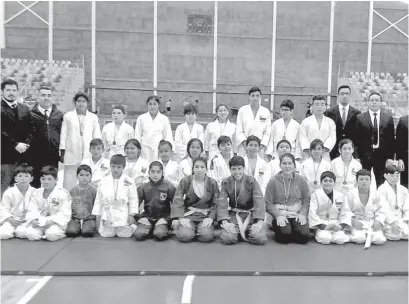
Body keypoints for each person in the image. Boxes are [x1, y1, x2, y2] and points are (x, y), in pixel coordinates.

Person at [216, 156, 267, 245]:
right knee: (227, 238)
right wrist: (225, 222)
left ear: (244, 168)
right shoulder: (226, 182)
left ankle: (243, 231)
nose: (237, 172)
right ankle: (240, 231)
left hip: (251, 215)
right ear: (230, 169)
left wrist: (259, 223)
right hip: (234, 215)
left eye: (239, 168)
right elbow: (222, 202)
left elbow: (259, 201)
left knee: (260, 238)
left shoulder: (251, 181)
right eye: (234, 169)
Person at [171, 157, 219, 243]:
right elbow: (178, 199)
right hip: (189, 214)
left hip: (205, 215)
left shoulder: (212, 183)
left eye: (202, 167)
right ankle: (191, 230)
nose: (199, 170)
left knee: (206, 236)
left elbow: (216, 202)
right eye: (196, 167)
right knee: (185, 236)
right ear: (192, 168)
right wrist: (181, 218)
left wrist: (211, 218)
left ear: (206, 169)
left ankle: (200, 230)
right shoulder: (185, 181)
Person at [265, 153, 311, 244]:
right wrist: (278, 215)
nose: (287, 166)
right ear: (280, 165)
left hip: (296, 213)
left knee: (304, 236)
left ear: (294, 165)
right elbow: (268, 203)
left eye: (290, 163)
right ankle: (287, 229)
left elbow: (306, 199)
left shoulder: (301, 180)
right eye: (284, 163)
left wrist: (302, 214)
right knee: (284, 237)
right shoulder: (273, 181)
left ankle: (292, 228)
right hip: (280, 213)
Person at [60, 92, 102, 191]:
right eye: (79, 101)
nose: (81, 104)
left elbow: (97, 135)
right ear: (75, 103)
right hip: (71, 151)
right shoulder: (68, 116)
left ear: (87, 103)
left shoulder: (93, 117)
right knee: (69, 179)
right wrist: (62, 150)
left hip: (88, 152)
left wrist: (97, 150)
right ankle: (68, 198)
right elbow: (64, 134)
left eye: (83, 101)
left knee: (87, 177)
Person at [92, 154, 138, 238]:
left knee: (123, 235)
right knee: (107, 234)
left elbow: (133, 199)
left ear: (123, 167)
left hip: (122, 211)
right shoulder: (104, 180)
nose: (115, 169)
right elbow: (98, 198)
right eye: (113, 167)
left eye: (118, 167)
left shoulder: (129, 181)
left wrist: (131, 215)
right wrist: (97, 215)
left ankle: (132, 226)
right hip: (108, 211)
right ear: (110, 166)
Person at [1, 79, 34, 195]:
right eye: (8, 90)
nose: (12, 93)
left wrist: (25, 145)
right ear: (2, 92)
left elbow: (31, 129)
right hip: (5, 158)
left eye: (14, 90)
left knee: (21, 190)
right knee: (4, 189)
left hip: (22, 157)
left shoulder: (24, 108)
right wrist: (15, 144)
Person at [355, 92, 395, 187]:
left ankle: (379, 200)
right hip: (364, 155)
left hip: (382, 156)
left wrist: (390, 158)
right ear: (368, 102)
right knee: (364, 180)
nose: (374, 102)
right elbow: (356, 139)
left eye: (377, 100)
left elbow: (391, 139)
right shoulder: (360, 118)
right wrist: (356, 156)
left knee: (380, 182)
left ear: (381, 103)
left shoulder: (388, 118)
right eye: (372, 100)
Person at [339, 169, 387, 245]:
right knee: (359, 239)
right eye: (361, 179)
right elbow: (345, 210)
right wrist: (353, 220)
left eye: (367, 179)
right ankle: (349, 234)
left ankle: (368, 234)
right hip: (357, 221)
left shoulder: (377, 194)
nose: (364, 181)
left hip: (372, 221)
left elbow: (381, 210)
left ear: (370, 181)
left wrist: (378, 221)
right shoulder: (351, 194)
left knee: (379, 240)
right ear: (357, 181)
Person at [25, 166, 72, 241]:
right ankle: (43, 233)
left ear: (56, 180)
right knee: (31, 235)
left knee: (51, 235)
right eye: (43, 179)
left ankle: (49, 233)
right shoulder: (37, 193)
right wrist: (34, 220)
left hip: (55, 222)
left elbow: (65, 212)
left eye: (49, 179)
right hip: (39, 220)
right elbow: (32, 209)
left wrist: (52, 222)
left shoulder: (63, 193)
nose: (46, 182)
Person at [29, 85, 64, 188]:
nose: (46, 98)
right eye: (43, 95)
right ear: (38, 97)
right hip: (35, 156)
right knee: (35, 184)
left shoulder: (59, 115)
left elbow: (62, 134)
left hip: (53, 156)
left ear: (52, 97)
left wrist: (62, 153)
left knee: (51, 184)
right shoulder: (30, 114)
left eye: (49, 95)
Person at [135, 161, 176, 241]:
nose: (155, 175)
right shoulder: (143, 187)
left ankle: (164, 229)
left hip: (163, 218)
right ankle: (151, 229)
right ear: (148, 172)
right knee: (138, 235)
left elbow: (176, 205)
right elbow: (134, 203)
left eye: (158, 172)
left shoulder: (169, 187)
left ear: (162, 173)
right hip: (147, 217)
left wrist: (167, 219)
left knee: (159, 234)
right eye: (152, 172)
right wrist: (140, 218)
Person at [308, 171, 349, 245]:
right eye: (325, 181)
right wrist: (323, 226)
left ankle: (336, 234)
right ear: (321, 182)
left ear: (334, 183)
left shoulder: (340, 195)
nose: (328, 183)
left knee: (340, 240)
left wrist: (341, 226)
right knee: (325, 239)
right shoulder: (315, 195)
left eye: (330, 181)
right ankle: (321, 233)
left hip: (336, 222)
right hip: (322, 222)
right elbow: (312, 212)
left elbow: (345, 212)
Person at [0, 164, 36, 239]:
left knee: (23, 234)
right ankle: (12, 230)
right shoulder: (9, 192)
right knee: (3, 234)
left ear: (31, 179)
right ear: (15, 178)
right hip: (12, 219)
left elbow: (37, 209)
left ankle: (18, 231)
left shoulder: (35, 192)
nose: (23, 179)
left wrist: (30, 219)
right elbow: (4, 209)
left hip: (28, 220)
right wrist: (10, 219)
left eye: (26, 176)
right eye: (20, 176)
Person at [324, 85, 361, 159]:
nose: (344, 96)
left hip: (350, 150)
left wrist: (356, 154)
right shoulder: (329, 113)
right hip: (333, 150)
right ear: (338, 95)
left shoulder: (357, 113)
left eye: (347, 93)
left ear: (350, 95)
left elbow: (358, 136)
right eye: (342, 93)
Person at [134, 95, 174, 162]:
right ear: (147, 105)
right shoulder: (141, 118)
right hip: (144, 149)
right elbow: (137, 135)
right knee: (144, 168)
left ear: (158, 105)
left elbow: (167, 135)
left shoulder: (164, 119)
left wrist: (167, 149)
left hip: (158, 149)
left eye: (155, 104)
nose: (152, 106)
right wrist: (137, 149)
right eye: (150, 104)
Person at [298, 95, 336, 162]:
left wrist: (323, 150)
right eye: (317, 104)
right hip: (309, 154)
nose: (319, 107)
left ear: (325, 107)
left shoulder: (330, 122)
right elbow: (302, 138)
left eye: (322, 104)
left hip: (324, 154)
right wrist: (311, 151)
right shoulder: (305, 122)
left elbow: (332, 138)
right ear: (312, 106)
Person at [236, 87, 271, 158]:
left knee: (259, 167)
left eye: (257, 96)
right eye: (253, 95)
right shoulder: (242, 110)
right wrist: (245, 145)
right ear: (249, 97)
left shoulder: (265, 111)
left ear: (260, 97)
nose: (255, 98)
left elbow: (268, 131)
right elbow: (239, 129)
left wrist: (261, 146)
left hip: (260, 147)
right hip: (244, 146)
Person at [65, 165, 97, 237]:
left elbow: (97, 206)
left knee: (87, 232)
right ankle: (77, 226)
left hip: (88, 218)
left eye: (87, 175)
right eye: (81, 175)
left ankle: (85, 227)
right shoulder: (72, 191)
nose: (84, 177)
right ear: (77, 176)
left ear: (91, 176)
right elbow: (69, 206)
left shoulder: (94, 190)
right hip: (75, 218)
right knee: (70, 232)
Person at [378, 165, 408, 241]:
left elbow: (407, 206)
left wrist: (406, 220)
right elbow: (383, 207)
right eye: (392, 175)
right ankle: (383, 230)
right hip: (388, 219)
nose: (395, 178)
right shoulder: (382, 189)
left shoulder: (403, 189)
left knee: (404, 233)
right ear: (385, 175)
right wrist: (392, 222)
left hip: (401, 218)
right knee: (395, 236)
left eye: (397, 176)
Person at [395, 115, 408, 188]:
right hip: (406, 159)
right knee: (405, 186)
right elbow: (399, 142)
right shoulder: (403, 120)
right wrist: (400, 159)